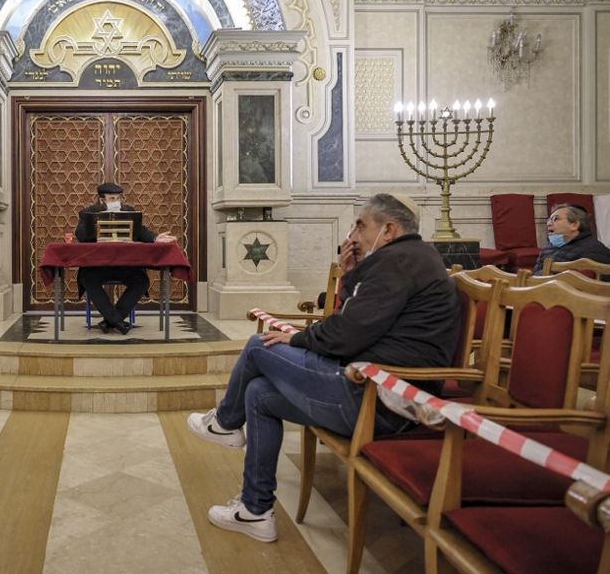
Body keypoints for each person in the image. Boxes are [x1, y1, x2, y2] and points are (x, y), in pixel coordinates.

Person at [186, 193, 460, 542]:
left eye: (361, 225)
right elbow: (355, 323)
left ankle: (224, 423)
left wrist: (299, 339)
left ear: (389, 229)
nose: (354, 235)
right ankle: (255, 511)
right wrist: (351, 275)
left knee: (258, 346)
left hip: (380, 400)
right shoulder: (404, 258)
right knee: (258, 394)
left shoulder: (399, 262)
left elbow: (346, 335)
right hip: (373, 387)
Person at [73, 182, 177, 335]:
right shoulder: (88, 213)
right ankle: (117, 321)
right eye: (112, 198)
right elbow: (80, 235)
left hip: (125, 265)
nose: (116, 201)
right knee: (87, 278)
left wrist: (155, 238)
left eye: (118, 198)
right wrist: (95, 226)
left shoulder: (129, 211)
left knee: (142, 281)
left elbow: (141, 231)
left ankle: (111, 320)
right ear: (102, 200)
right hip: (99, 265)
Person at [533, 203, 610, 276]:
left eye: (555, 219)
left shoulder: (594, 250)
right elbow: (536, 274)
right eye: (549, 219)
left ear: (574, 225)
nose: (548, 223)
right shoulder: (547, 248)